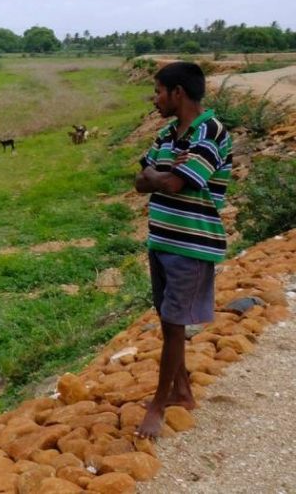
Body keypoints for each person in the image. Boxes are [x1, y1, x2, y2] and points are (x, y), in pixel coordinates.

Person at [133, 61, 232, 439]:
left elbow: (174, 184)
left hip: (191, 244)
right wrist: (163, 176)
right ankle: (183, 392)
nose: (155, 99)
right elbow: (141, 180)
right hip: (161, 240)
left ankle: (158, 406)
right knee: (167, 320)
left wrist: (162, 178)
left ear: (178, 93)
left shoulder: (212, 132)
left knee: (174, 325)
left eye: (158, 91)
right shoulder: (168, 133)